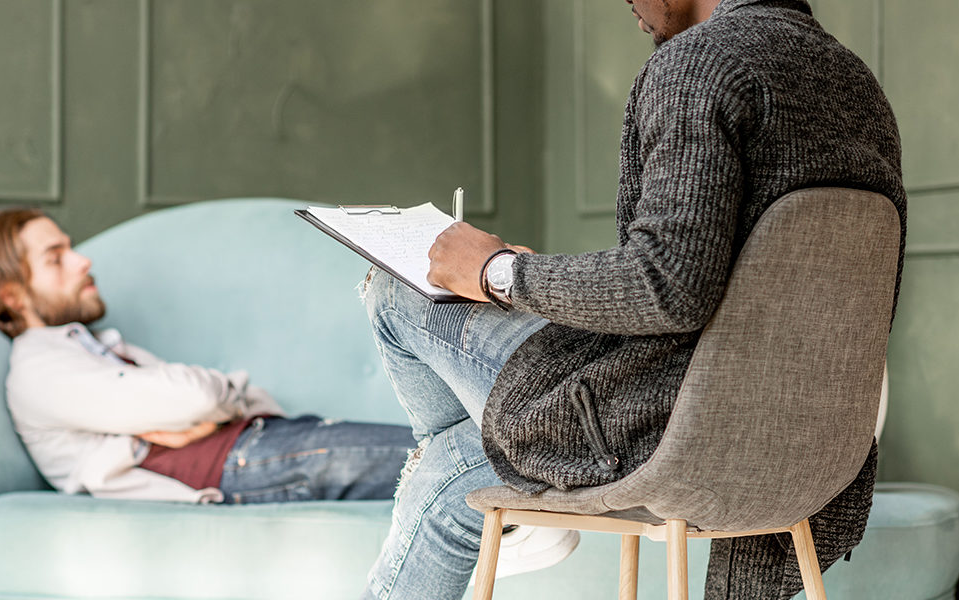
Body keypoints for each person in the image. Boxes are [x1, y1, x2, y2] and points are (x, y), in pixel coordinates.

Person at [360, 0, 906, 598]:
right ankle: (499, 473)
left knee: (393, 290)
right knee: (451, 469)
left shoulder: (702, 63)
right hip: (804, 447)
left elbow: (665, 287)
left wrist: (498, 271)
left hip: (664, 427)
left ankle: (519, 484)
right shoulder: (854, 84)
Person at [0, 208, 417, 504]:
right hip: (238, 464)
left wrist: (195, 417)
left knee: (439, 455)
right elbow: (197, 398)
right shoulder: (40, 369)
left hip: (258, 442)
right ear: (12, 296)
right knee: (439, 463)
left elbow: (206, 400)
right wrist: (204, 409)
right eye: (56, 258)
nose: (82, 261)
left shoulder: (92, 347)